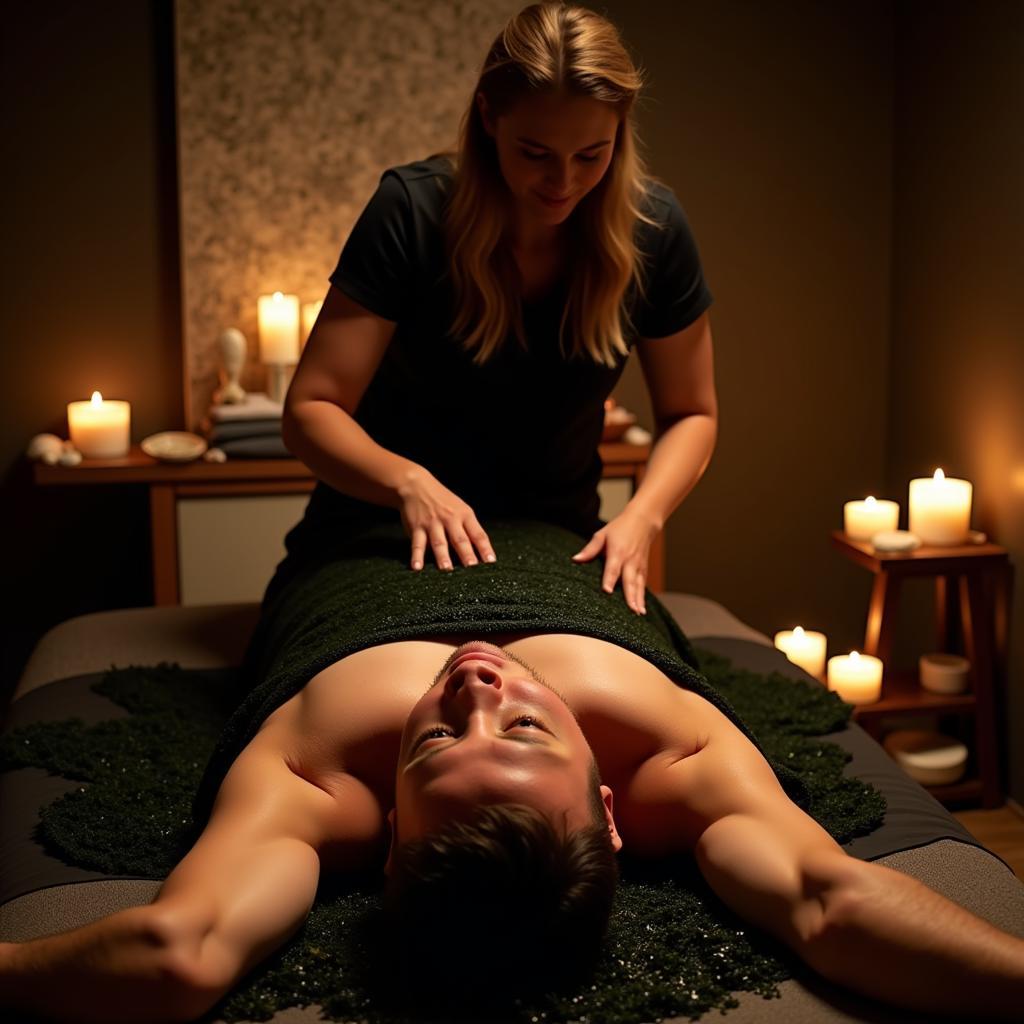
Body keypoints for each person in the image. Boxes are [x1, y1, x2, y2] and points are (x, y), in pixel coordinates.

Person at [1, 520, 1022, 1023]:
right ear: (614, 811)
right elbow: (828, 899)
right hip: (558, 536)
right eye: (530, 732)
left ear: (390, 828)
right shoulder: (674, 760)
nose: (477, 683)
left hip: (363, 544)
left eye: (433, 743)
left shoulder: (316, 782)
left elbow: (181, 950)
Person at [279, 2, 718, 616]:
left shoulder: (655, 229)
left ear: (621, 130)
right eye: (536, 153)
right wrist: (408, 483)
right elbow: (309, 411)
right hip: (379, 532)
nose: (562, 181)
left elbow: (692, 412)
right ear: (488, 115)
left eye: (591, 155)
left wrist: (643, 517)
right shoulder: (411, 211)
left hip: (559, 542)